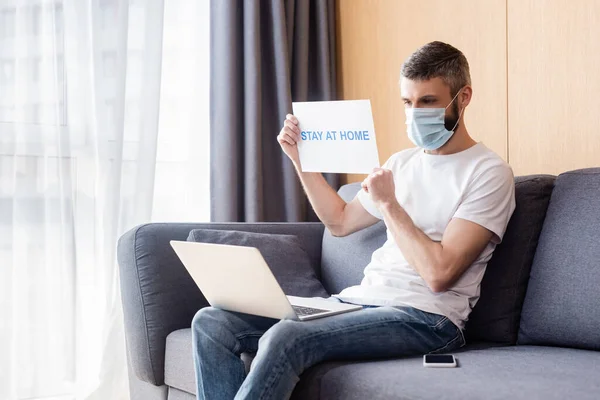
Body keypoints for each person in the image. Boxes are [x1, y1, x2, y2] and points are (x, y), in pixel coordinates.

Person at [191, 41, 516, 400]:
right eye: (407, 103)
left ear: (463, 96)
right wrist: (301, 160)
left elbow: (439, 275)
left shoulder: (489, 172)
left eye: (428, 101)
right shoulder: (401, 163)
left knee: (288, 336)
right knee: (213, 323)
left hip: (427, 318)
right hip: (357, 303)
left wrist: (389, 204)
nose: (415, 114)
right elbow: (340, 222)